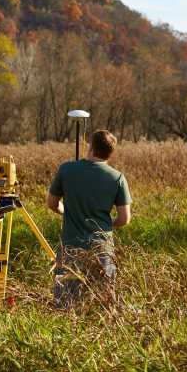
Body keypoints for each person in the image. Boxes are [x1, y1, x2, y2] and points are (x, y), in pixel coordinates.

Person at [46, 130, 132, 308]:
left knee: (65, 302)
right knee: (103, 302)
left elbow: (52, 203)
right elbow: (124, 218)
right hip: (102, 248)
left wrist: (66, 211)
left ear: (91, 147)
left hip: (70, 247)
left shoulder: (67, 169)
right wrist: (107, 225)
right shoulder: (117, 178)